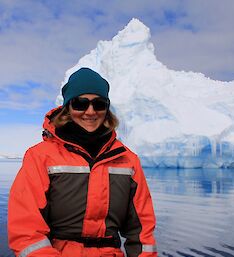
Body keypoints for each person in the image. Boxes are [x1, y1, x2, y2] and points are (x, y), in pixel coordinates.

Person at [8, 67, 157, 257]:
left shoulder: (128, 161)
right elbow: (26, 229)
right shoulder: (40, 157)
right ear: (67, 108)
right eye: (80, 104)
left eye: (99, 104)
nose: (90, 111)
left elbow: (142, 232)